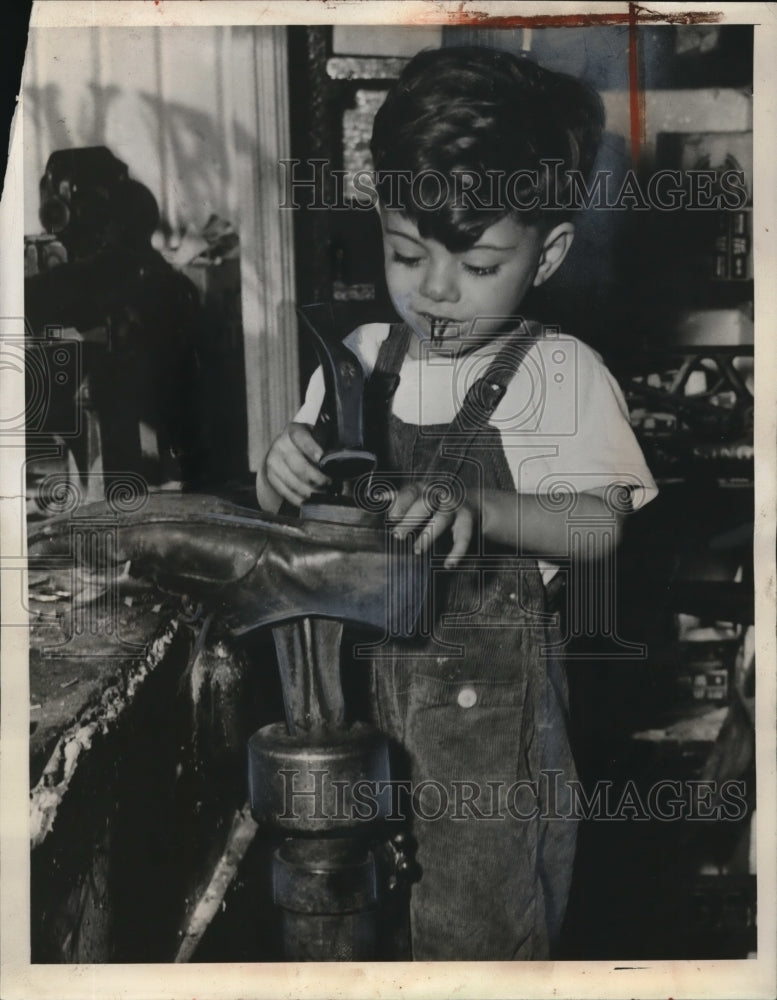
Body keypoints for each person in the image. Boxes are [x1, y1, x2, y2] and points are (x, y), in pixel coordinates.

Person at [257, 46, 658, 960]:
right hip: (347, 726)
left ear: (546, 252)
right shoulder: (359, 359)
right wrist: (279, 470)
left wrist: (484, 513)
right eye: (406, 252)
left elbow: (599, 524)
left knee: (476, 947)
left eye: (475, 265)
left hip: (488, 759)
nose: (433, 289)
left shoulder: (556, 374)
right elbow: (295, 518)